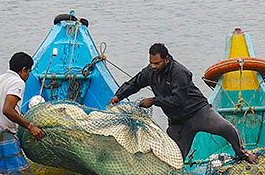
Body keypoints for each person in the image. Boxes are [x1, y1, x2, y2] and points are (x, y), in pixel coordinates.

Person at [109, 42, 256, 164]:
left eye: (157, 63)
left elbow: (177, 100)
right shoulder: (150, 72)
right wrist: (118, 96)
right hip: (178, 122)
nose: (153, 66)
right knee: (173, 158)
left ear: (166, 59)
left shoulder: (180, 73)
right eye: (151, 63)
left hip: (198, 112)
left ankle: (243, 154)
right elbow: (134, 83)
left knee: (226, 128)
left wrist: (154, 101)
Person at [0, 52, 46, 175]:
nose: (28, 75)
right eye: (29, 71)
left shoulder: (1, 78)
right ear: (23, 70)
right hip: (1, 134)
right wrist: (30, 126)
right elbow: (7, 110)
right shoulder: (18, 82)